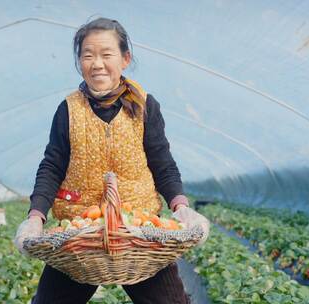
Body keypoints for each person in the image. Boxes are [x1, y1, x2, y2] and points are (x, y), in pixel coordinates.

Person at [14, 17, 210, 304]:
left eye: (106, 54)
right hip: (81, 234)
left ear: (125, 59)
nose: (97, 64)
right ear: (79, 60)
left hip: (139, 232)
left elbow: (162, 162)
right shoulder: (68, 109)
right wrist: (36, 217)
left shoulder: (145, 105)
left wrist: (180, 207)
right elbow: (52, 166)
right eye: (88, 55)